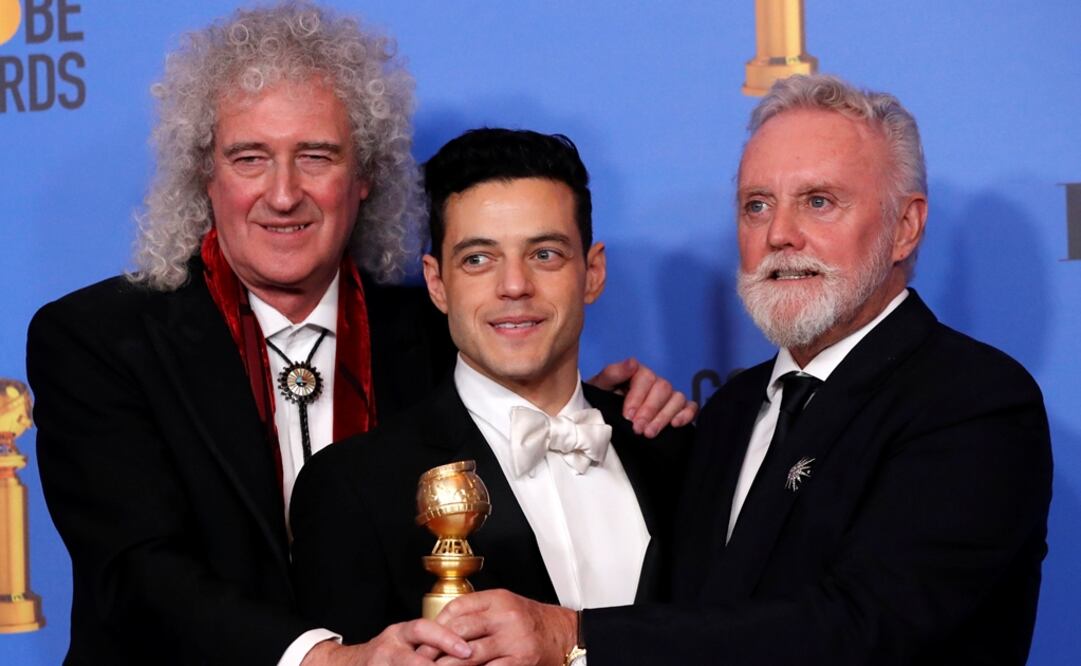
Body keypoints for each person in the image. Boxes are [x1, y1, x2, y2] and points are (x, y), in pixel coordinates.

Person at [24, 4, 693, 664]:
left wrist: (602, 406)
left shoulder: (439, 330)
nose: (283, 194)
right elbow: (138, 573)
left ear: (366, 175)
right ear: (207, 174)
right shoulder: (97, 341)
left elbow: (525, 413)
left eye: (316, 156)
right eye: (250, 158)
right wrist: (324, 661)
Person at [432, 74, 1053, 665]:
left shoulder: (974, 403)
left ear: (905, 227)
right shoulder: (729, 413)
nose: (780, 234)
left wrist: (575, 636)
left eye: (818, 202)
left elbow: (861, 631)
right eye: (757, 206)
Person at [289, 129, 691, 662]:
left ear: (592, 272)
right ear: (437, 283)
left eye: (544, 254)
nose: (514, 286)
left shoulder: (675, 451)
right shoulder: (353, 486)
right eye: (478, 259)